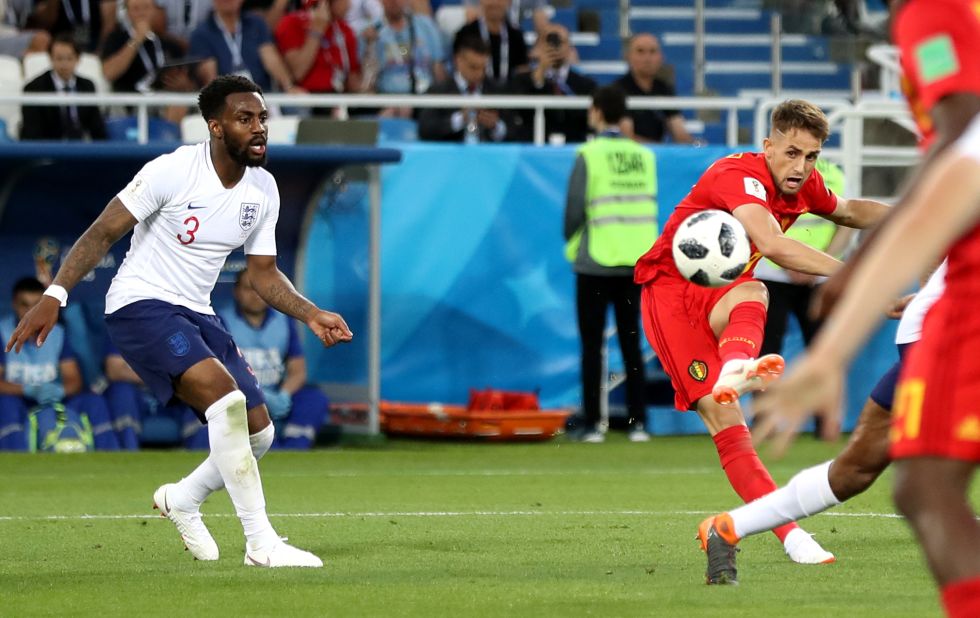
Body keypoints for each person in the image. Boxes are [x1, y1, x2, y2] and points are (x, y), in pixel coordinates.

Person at [5, 75, 352, 567]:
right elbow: (103, 231)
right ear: (215, 127)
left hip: (197, 310)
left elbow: (265, 274)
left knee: (260, 433)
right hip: (139, 304)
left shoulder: (264, 188)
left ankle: (183, 498)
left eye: (262, 119)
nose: (259, 129)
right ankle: (261, 544)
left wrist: (311, 312)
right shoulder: (171, 171)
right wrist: (55, 294)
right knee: (227, 402)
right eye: (245, 119)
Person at [633, 99, 890, 574]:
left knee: (753, 288)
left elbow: (850, 210)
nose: (801, 167)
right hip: (671, 297)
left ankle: (736, 369)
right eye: (792, 153)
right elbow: (772, 245)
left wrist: (915, 213)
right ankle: (791, 533)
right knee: (724, 419)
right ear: (768, 145)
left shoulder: (803, 183)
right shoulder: (738, 175)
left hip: (721, 289)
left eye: (811, 157)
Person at [563, 86, 654, 444]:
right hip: (635, 261)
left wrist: (572, 244)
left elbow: (573, 210)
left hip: (596, 260)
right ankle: (639, 423)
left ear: (597, 112)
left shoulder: (589, 153)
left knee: (592, 345)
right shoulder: (644, 156)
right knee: (632, 341)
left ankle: (593, 424)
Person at [752, 158, 853, 438]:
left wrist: (820, 263)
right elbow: (761, 221)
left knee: (824, 348)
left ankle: (828, 423)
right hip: (776, 273)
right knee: (767, 350)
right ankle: (763, 420)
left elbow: (845, 223)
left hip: (815, 277)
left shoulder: (833, 174)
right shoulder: (771, 174)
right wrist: (792, 262)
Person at [213, 269, 329, 449]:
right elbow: (217, 373)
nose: (255, 295)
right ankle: (266, 446)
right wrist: (257, 396)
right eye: (248, 289)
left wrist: (284, 394)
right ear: (237, 292)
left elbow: (298, 371)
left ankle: (294, 449)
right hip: (239, 398)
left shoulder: (283, 321)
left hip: (276, 394)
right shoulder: (221, 321)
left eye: (259, 289)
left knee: (314, 398)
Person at [0, 277, 118, 452]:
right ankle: (17, 463)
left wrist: (59, 391)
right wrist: (26, 390)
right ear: (15, 305)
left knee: (94, 402)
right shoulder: (2, 333)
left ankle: (111, 461)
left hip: (55, 400)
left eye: (36, 305)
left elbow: (73, 379)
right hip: (20, 401)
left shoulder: (56, 334)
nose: (30, 311)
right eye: (25, 304)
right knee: (5, 405)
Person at [418, 33, 518, 143]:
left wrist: (496, 126)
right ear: (458, 61)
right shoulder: (438, 91)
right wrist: (460, 119)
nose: (479, 74)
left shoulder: (496, 90)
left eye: (483, 68)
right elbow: (426, 130)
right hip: (450, 156)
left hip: (488, 156)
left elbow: (515, 129)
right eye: (473, 67)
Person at [509, 24, 595, 144]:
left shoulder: (585, 84)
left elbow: (588, 121)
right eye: (549, 41)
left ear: (570, 47)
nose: (555, 47)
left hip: (572, 147)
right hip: (532, 147)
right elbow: (519, 113)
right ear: (537, 47)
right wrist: (539, 74)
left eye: (560, 42)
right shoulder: (521, 80)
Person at [190, 0, 300, 94]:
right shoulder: (201, 33)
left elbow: (270, 57)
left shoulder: (256, 24)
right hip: (226, 98)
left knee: (296, 105)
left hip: (261, 93)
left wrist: (289, 86)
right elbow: (210, 77)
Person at [362, 0, 447, 115]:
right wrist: (370, 46)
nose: (395, 1)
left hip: (424, 101)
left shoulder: (426, 27)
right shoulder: (371, 32)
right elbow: (366, 82)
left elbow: (439, 71)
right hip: (386, 102)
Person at [21, 33, 107, 141]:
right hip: (47, 149)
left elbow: (96, 127)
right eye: (59, 58)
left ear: (78, 59)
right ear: (51, 58)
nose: (64, 64)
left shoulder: (87, 86)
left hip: (80, 149)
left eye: (69, 58)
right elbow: (32, 132)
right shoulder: (34, 88)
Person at [613, 33, 695, 144]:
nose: (647, 58)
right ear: (628, 56)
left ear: (661, 57)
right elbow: (626, 137)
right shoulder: (618, 90)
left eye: (652, 52)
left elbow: (678, 129)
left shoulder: (665, 89)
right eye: (640, 51)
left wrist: (695, 145)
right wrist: (658, 148)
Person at [275, 0, 362, 97]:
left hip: (338, 96)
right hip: (305, 97)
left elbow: (353, 81)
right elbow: (297, 73)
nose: (349, 4)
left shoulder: (345, 30)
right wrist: (316, 31)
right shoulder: (291, 23)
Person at [453, 0, 527, 86]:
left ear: (509, 2)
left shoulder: (516, 36)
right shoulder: (465, 34)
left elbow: (522, 71)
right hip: (474, 94)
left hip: (509, 96)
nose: (495, 3)